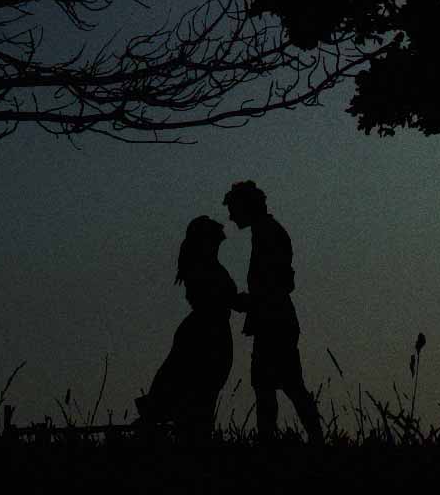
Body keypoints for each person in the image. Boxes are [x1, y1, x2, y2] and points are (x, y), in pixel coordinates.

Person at [224, 180, 324, 442]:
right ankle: (312, 438)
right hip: (276, 320)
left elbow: (275, 284)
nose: (230, 216)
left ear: (246, 207)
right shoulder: (266, 231)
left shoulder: (266, 233)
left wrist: (248, 302)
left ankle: (293, 440)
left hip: (273, 322)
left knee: (274, 387)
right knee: (281, 385)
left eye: (234, 208)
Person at [136, 215, 240, 433]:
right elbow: (223, 298)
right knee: (199, 393)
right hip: (209, 333)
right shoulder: (206, 270)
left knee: (197, 392)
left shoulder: (202, 267)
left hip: (210, 331)